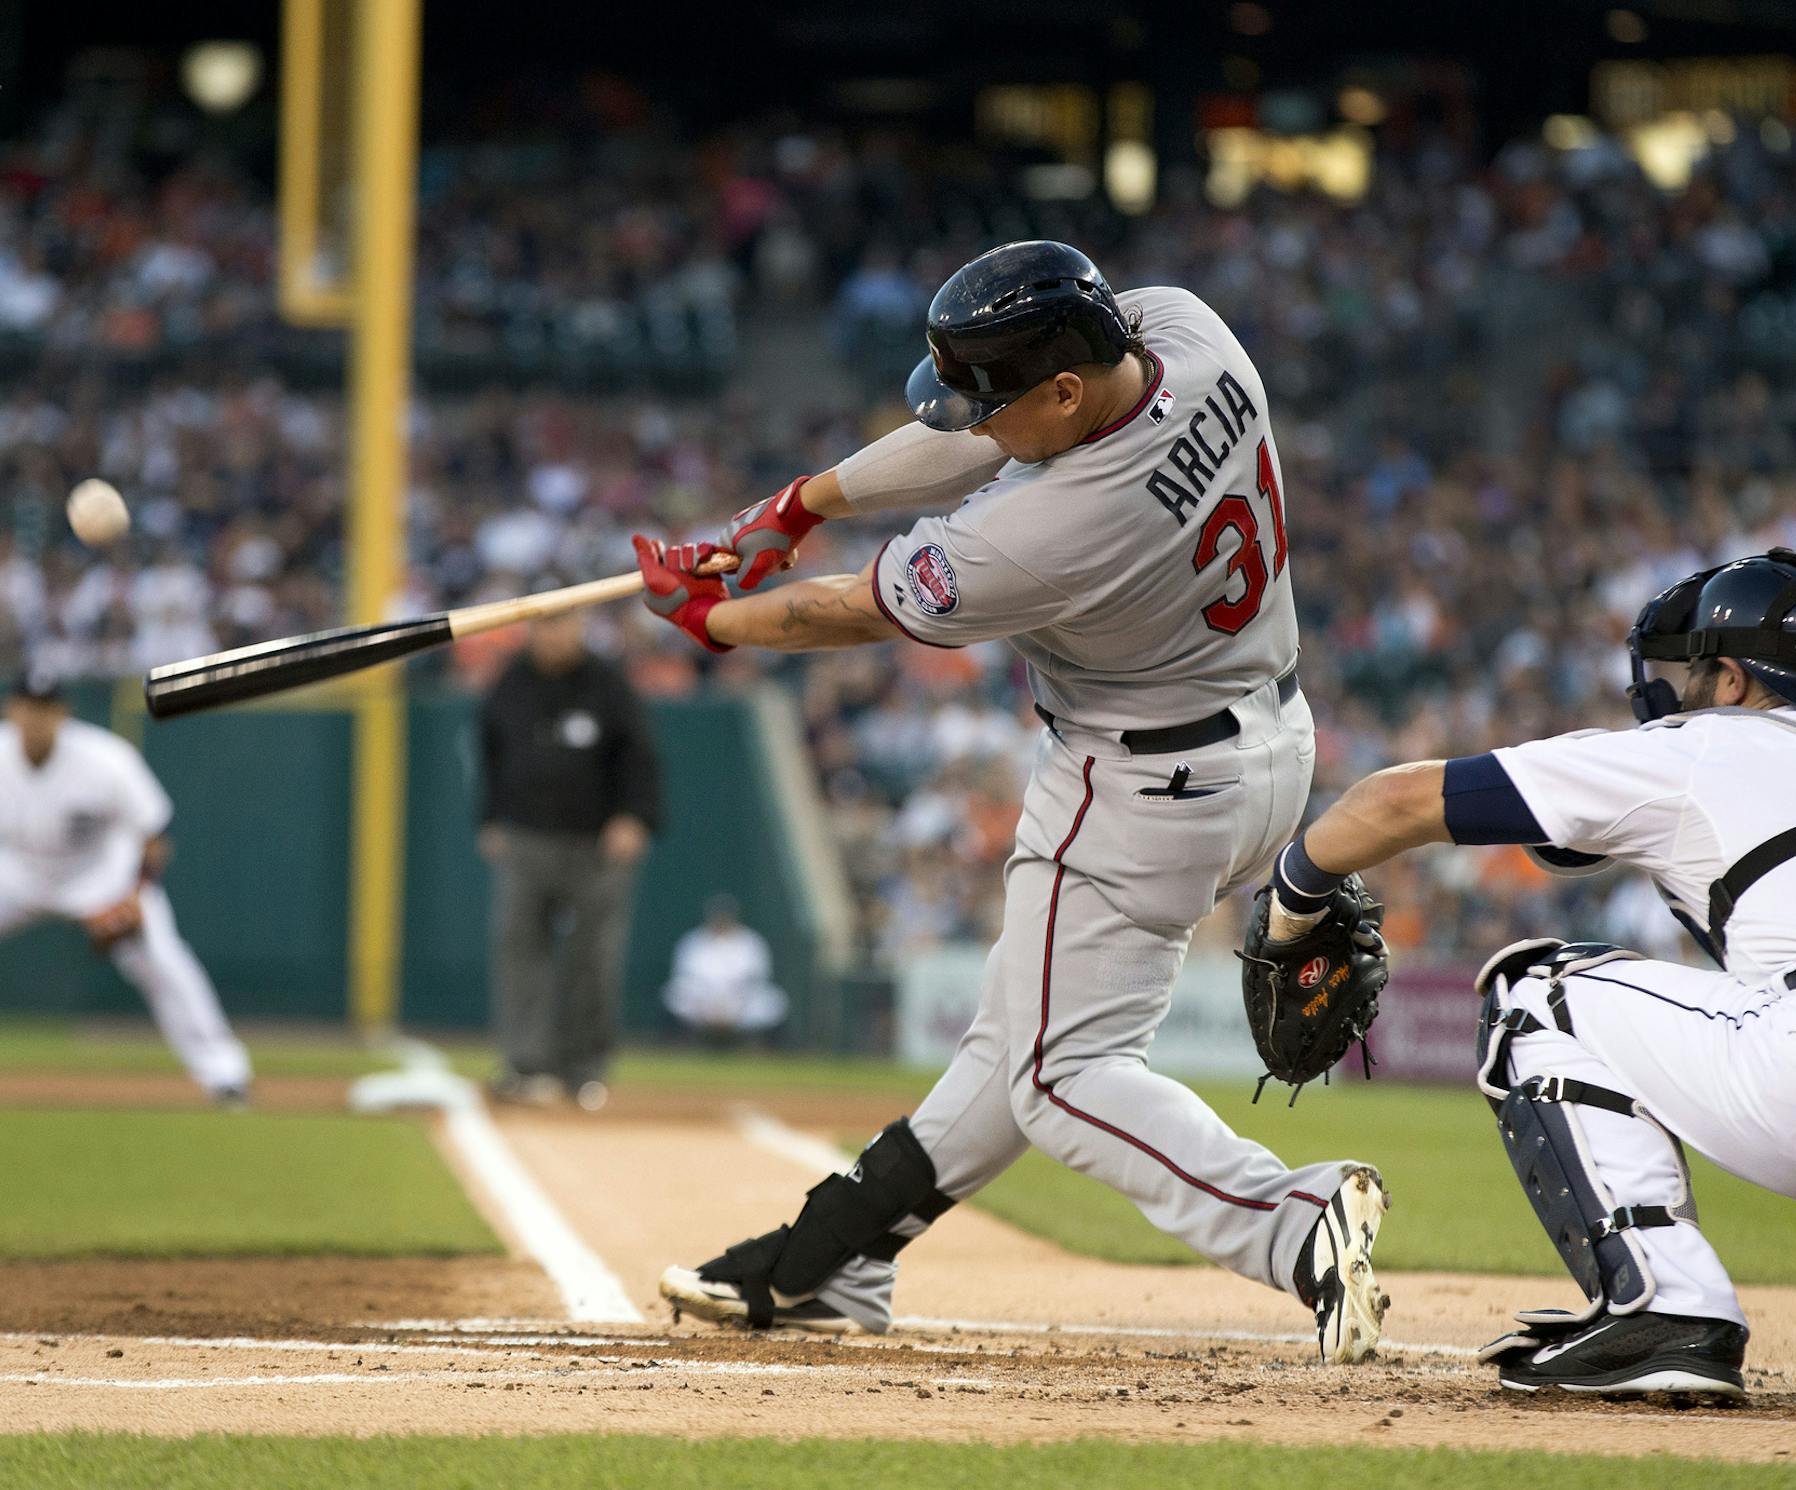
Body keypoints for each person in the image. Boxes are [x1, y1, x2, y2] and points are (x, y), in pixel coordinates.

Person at [633, 241, 1391, 1362]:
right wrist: (795, 506)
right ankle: (838, 1255)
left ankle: (1291, 1224)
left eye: (993, 402)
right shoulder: (1188, 329)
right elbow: (960, 444)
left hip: (1138, 782)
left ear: (1067, 389)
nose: (974, 423)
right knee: (1021, 1033)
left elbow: (841, 612)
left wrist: (711, 618)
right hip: (1266, 737)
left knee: (1060, 1075)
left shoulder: (1047, 532)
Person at [1256, 549, 1796, 1397]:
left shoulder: (1703, 745)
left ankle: (1666, 1308)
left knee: (1536, 994)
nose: (1684, 687)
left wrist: (1291, 897)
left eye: (1697, 668)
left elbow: (1396, 803)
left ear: (1734, 681)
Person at [0, 670, 250, 1104]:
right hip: (13, 870)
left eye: (46, 708)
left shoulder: (104, 758)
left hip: (98, 873)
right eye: (27, 706)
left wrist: (137, 896)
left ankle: (224, 1073)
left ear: (63, 714)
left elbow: (155, 837)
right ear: (9, 710)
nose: (35, 717)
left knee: (160, 956)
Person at [479, 604, 661, 1112]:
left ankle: (584, 1068)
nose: (551, 633)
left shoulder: (607, 683)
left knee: (593, 958)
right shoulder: (511, 682)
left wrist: (634, 816)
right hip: (526, 839)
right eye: (542, 622)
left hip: (594, 842)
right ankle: (525, 1065)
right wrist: (489, 818)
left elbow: (640, 756)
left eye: (560, 622)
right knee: (519, 951)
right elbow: (488, 753)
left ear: (578, 625)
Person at [664, 895, 787, 1042]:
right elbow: (686, 977)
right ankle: (684, 1040)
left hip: (742, 1002)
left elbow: (757, 978)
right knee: (674, 994)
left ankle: (755, 1042)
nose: (721, 920)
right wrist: (707, 1006)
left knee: (772, 1001)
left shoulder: (751, 941)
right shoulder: (693, 941)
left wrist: (734, 1007)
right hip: (702, 1001)